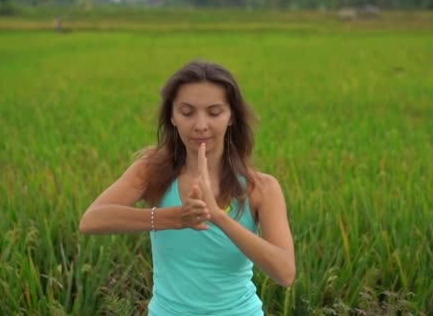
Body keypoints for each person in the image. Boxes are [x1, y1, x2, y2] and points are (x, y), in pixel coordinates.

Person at [79, 60, 295, 315]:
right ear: (171, 115)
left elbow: (285, 272)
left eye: (214, 112)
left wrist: (218, 217)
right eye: (187, 112)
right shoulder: (151, 170)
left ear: (231, 117)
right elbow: (91, 221)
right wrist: (174, 217)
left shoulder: (261, 187)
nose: (200, 125)